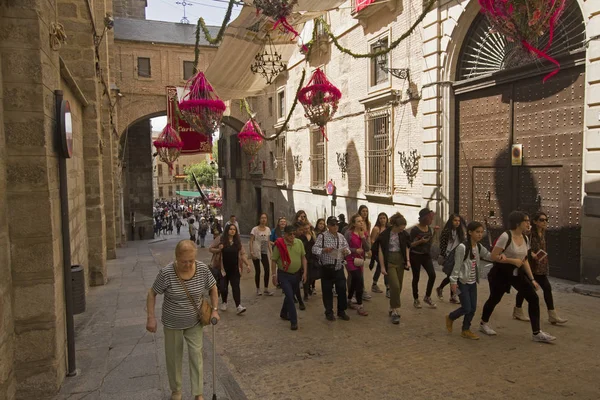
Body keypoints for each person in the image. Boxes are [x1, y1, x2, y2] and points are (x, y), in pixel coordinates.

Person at [146, 240, 219, 400]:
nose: (188, 265)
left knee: (196, 356)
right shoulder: (167, 273)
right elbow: (152, 293)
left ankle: (198, 393)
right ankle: (176, 391)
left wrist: (214, 310)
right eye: (184, 261)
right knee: (173, 358)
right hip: (172, 323)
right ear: (176, 258)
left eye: (191, 261)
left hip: (194, 322)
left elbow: (213, 288)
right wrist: (151, 317)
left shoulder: (201, 269)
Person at [479, 211, 557, 343]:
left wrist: (532, 279)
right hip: (501, 273)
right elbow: (493, 256)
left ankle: (536, 333)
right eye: (525, 221)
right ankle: (483, 323)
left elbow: (525, 259)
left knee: (533, 297)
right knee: (495, 298)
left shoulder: (525, 238)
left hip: (517, 273)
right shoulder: (506, 236)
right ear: (517, 223)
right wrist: (511, 260)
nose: (528, 223)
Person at [513, 212, 567, 325]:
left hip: (540, 266)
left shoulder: (543, 232)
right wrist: (531, 253)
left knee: (546, 288)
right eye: (542, 220)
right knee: (525, 289)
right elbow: (522, 245)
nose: (544, 222)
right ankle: (518, 310)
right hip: (530, 266)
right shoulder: (529, 233)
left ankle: (552, 315)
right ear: (535, 221)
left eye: (546, 220)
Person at [445, 221, 496, 340]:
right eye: (477, 232)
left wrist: (498, 254)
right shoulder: (462, 247)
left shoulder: (478, 246)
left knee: (473, 308)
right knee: (466, 307)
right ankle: (451, 317)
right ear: (469, 232)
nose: (480, 235)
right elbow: (457, 266)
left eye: (481, 232)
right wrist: (453, 282)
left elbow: (488, 255)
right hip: (462, 282)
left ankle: (465, 330)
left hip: (473, 282)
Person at [313, 216, 351, 321]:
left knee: (342, 289)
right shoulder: (322, 236)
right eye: (333, 224)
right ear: (328, 226)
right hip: (327, 268)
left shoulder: (341, 236)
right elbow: (314, 249)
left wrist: (346, 251)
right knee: (327, 291)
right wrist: (324, 250)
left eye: (337, 224)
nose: (335, 226)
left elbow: (347, 248)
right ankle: (329, 312)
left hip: (339, 267)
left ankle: (341, 311)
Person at [271, 225, 307, 330]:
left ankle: (283, 313)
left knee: (289, 295)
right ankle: (294, 321)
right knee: (290, 297)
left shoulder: (299, 243)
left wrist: (305, 272)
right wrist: (274, 275)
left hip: (296, 274)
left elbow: (303, 258)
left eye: (293, 234)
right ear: (285, 235)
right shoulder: (279, 245)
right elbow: (273, 260)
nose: (292, 236)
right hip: (284, 275)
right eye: (290, 234)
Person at [377, 213, 411, 324]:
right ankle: (396, 310)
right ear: (395, 226)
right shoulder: (385, 235)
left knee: (399, 286)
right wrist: (382, 266)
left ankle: (392, 306)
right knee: (395, 286)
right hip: (389, 261)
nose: (402, 230)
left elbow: (406, 247)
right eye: (401, 228)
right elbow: (380, 251)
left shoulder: (403, 234)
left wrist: (408, 260)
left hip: (400, 261)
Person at [409, 208, 439, 309]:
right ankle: (416, 299)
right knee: (416, 277)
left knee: (432, 275)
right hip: (415, 255)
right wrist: (419, 242)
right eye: (429, 218)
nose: (431, 220)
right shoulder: (415, 229)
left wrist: (434, 233)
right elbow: (409, 244)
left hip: (426, 255)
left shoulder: (428, 228)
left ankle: (427, 296)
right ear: (424, 218)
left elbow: (430, 242)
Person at [219, 224, 250, 314]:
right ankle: (224, 302)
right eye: (230, 229)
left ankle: (238, 306)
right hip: (223, 269)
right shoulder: (221, 240)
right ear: (227, 230)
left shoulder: (237, 243)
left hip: (235, 268)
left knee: (236, 287)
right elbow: (211, 249)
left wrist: (247, 264)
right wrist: (219, 249)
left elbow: (242, 254)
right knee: (223, 287)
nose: (232, 231)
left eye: (234, 229)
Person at [436, 214, 467, 303]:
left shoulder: (460, 231)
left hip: (457, 255)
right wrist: (442, 256)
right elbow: (442, 244)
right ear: (451, 221)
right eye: (455, 220)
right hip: (448, 256)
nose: (457, 222)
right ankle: (453, 295)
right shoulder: (446, 231)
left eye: (458, 221)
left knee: (453, 277)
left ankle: (447, 292)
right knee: (452, 276)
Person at [345, 213, 370, 316]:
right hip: (350, 259)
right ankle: (360, 306)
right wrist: (355, 250)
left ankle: (349, 299)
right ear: (354, 223)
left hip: (359, 260)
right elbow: (344, 248)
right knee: (358, 280)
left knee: (355, 281)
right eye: (359, 221)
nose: (361, 223)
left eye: (362, 221)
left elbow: (367, 248)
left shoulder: (365, 233)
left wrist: (363, 237)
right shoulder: (348, 233)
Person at [250, 213, 274, 296]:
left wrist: (271, 253)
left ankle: (266, 289)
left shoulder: (268, 229)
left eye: (265, 218)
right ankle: (258, 289)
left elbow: (268, 242)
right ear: (259, 219)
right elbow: (251, 241)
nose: (264, 219)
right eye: (262, 218)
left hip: (264, 251)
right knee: (258, 271)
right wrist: (251, 252)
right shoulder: (255, 229)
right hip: (256, 250)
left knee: (267, 270)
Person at [297, 221, 317, 301]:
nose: (306, 230)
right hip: (304, 258)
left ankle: (309, 288)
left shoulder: (313, 235)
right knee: (305, 276)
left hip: (312, 258)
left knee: (312, 276)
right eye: (305, 228)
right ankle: (306, 293)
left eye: (308, 228)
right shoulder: (300, 237)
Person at [370, 212, 389, 295]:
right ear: (378, 219)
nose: (382, 220)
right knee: (384, 266)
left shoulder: (388, 228)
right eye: (380, 218)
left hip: (386, 252)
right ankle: (388, 288)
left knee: (379, 267)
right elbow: (372, 240)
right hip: (378, 252)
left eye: (384, 218)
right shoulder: (376, 229)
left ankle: (374, 284)